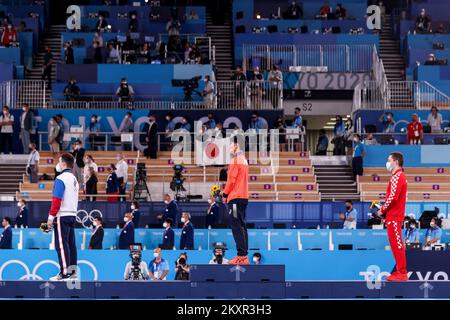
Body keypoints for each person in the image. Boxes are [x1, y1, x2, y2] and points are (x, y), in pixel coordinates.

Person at [47, 153, 79, 280]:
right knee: (71, 244)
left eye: (59, 162)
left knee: (61, 244)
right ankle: (72, 271)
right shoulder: (74, 179)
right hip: (72, 214)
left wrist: (50, 218)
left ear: (63, 164)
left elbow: (56, 200)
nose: (58, 164)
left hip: (62, 215)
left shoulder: (61, 178)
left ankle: (65, 272)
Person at [376, 152, 408, 281]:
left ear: (395, 162)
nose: (387, 163)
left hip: (394, 216)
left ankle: (402, 272)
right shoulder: (398, 176)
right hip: (393, 215)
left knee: (397, 245)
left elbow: (392, 197)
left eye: (389, 160)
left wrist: (382, 210)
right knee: (396, 245)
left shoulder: (397, 176)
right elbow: (393, 197)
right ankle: (400, 271)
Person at [223, 142, 249, 265]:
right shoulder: (244, 160)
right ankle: (244, 256)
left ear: (236, 146)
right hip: (244, 198)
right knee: (242, 226)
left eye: (230, 146)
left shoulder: (234, 161)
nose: (229, 149)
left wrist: (225, 194)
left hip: (234, 198)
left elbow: (231, 181)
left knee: (236, 225)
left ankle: (241, 256)